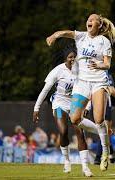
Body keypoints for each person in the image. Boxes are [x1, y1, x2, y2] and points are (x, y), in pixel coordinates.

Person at [46, 13, 115, 171]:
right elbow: (66, 33)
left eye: (93, 20)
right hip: (82, 82)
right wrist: (55, 35)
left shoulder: (104, 41)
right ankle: (103, 134)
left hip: (98, 82)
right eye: (88, 19)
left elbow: (107, 65)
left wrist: (99, 65)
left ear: (99, 25)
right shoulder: (81, 36)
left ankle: (105, 152)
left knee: (99, 120)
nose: (89, 21)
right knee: (74, 118)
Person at [33, 48, 95, 176]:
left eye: (74, 57)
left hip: (75, 103)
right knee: (63, 131)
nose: (73, 59)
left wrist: (87, 107)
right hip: (59, 103)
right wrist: (36, 108)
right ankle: (67, 161)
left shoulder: (82, 70)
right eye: (70, 57)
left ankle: (85, 167)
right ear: (65, 58)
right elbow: (45, 90)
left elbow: (89, 89)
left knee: (80, 132)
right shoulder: (58, 70)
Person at [84, 71, 115, 164]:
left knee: (104, 132)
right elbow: (111, 89)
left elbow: (89, 93)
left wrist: (87, 107)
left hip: (93, 106)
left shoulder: (91, 75)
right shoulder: (105, 74)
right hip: (104, 105)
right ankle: (98, 158)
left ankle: (112, 154)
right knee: (104, 132)